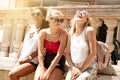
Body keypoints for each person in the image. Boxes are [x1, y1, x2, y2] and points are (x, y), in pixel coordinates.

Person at [9, 7, 48, 80]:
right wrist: (18, 58)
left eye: (38, 14)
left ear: (43, 17)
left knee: (12, 74)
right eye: (33, 14)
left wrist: (28, 58)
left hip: (33, 61)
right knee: (12, 75)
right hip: (22, 59)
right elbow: (23, 43)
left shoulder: (44, 31)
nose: (35, 16)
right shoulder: (30, 27)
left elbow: (41, 49)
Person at [34, 9, 68, 80]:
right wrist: (42, 69)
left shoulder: (63, 33)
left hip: (58, 61)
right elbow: (40, 53)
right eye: (56, 20)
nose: (59, 22)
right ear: (49, 19)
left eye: (61, 20)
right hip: (45, 59)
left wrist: (48, 71)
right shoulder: (43, 33)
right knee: (39, 78)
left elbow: (59, 54)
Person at [65, 10, 97, 80]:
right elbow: (67, 53)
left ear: (86, 20)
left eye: (84, 13)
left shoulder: (89, 30)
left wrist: (81, 70)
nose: (80, 14)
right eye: (78, 12)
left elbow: (93, 53)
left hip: (89, 67)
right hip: (74, 68)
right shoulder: (70, 33)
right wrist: (73, 68)